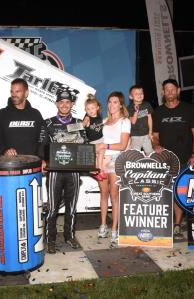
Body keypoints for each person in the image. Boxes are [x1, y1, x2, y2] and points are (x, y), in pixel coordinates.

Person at [39, 90, 88, 254]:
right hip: (54, 172)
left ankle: (69, 236)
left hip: (73, 171)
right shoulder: (48, 123)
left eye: (68, 102)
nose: (64, 105)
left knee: (71, 207)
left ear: (72, 104)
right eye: (61, 102)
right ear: (57, 104)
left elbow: (85, 145)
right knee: (52, 208)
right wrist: (44, 161)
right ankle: (50, 240)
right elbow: (42, 146)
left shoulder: (79, 123)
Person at [152, 78, 194, 240]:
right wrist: (157, 145)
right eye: (167, 89)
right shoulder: (158, 112)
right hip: (166, 161)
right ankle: (170, 223)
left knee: (182, 193)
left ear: (178, 91)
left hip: (186, 159)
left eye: (173, 89)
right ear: (163, 92)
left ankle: (178, 224)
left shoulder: (188, 109)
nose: (170, 92)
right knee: (169, 193)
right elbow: (155, 136)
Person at [95, 92, 130, 247]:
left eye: (115, 102)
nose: (111, 104)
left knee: (114, 196)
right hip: (102, 160)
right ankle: (103, 226)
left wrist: (105, 146)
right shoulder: (104, 121)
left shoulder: (125, 121)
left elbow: (122, 145)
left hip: (117, 160)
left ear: (121, 104)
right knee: (103, 194)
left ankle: (115, 229)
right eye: (109, 102)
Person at [0, 78, 44, 156]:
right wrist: (4, 151)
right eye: (12, 91)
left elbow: (43, 139)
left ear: (26, 93)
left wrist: (42, 158)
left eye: (17, 91)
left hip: (32, 164)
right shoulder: (2, 114)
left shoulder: (36, 114)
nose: (14, 95)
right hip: (9, 165)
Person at [82, 94, 105, 180]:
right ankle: (97, 170)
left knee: (101, 154)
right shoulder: (88, 118)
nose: (90, 111)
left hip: (101, 139)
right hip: (93, 141)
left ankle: (98, 170)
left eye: (92, 108)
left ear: (97, 107)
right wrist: (85, 122)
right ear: (85, 110)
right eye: (88, 109)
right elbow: (83, 124)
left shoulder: (99, 117)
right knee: (99, 154)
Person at [127, 84, 153, 155]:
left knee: (150, 153)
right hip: (135, 136)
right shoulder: (129, 108)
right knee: (136, 155)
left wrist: (150, 132)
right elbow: (133, 122)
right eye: (136, 94)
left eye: (141, 93)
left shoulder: (147, 104)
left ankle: (150, 165)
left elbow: (149, 119)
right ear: (131, 96)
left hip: (146, 134)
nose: (139, 95)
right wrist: (136, 111)